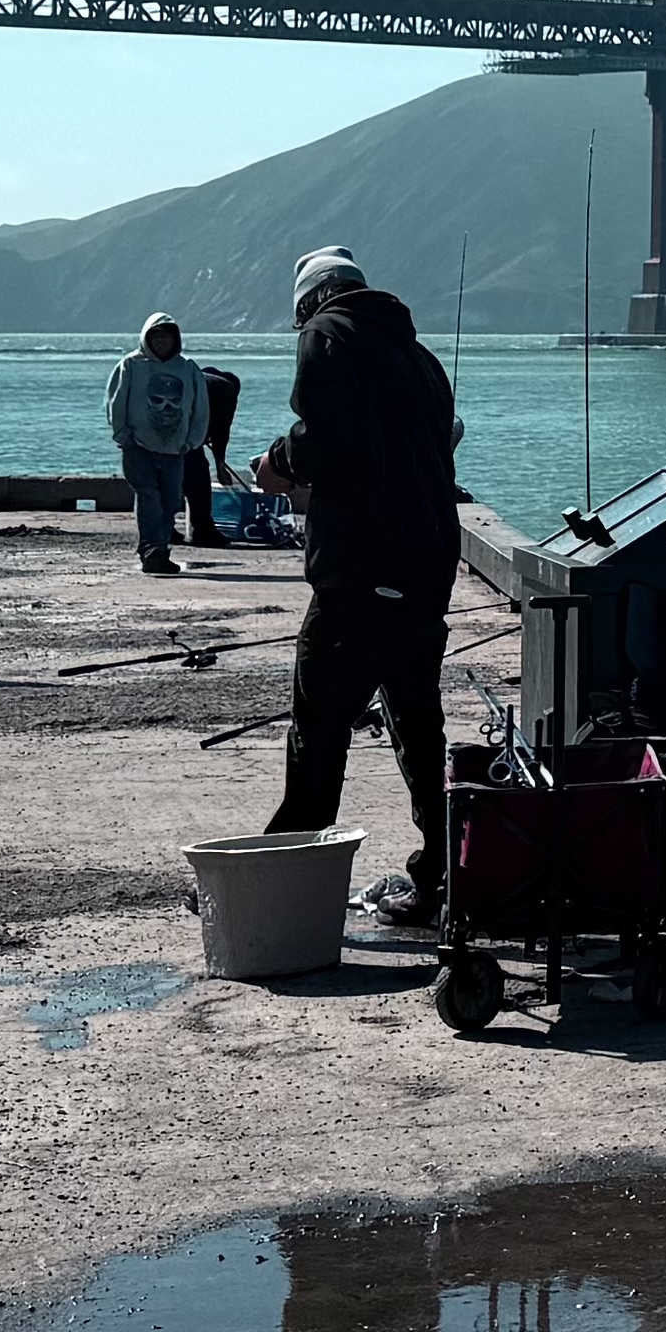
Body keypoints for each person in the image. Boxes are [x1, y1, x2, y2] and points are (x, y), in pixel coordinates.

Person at [249, 244, 464, 927]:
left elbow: (327, 440)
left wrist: (278, 462)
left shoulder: (326, 335)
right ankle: (446, 875)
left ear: (309, 300)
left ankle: (287, 881)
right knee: (418, 726)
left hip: (358, 573)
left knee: (318, 726)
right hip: (426, 569)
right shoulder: (422, 359)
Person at [107, 315, 212, 575]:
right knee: (148, 496)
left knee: (171, 500)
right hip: (137, 446)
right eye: (155, 336)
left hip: (175, 448)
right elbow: (115, 402)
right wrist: (123, 436)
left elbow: (200, 409)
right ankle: (152, 550)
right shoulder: (130, 366)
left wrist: (193, 440)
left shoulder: (188, 369)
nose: (160, 341)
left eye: (166, 336)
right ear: (146, 338)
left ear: (176, 339)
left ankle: (160, 548)